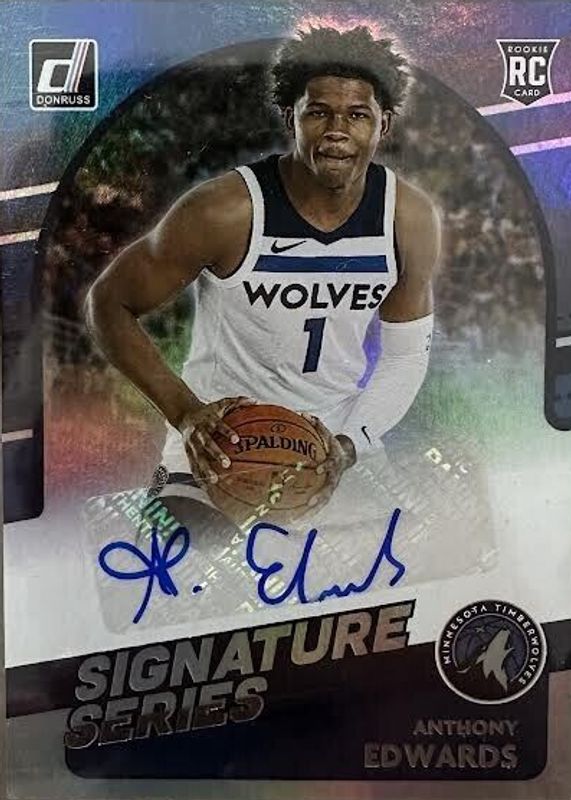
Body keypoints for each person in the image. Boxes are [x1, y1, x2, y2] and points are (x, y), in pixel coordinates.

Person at [85, 25, 440, 517]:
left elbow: (405, 357)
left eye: (358, 115)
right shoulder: (224, 211)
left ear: (384, 125)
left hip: (334, 443)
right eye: (318, 112)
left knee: (422, 550)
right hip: (219, 445)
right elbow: (108, 302)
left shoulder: (408, 218)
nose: (337, 130)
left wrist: (348, 445)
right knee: (173, 557)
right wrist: (186, 414)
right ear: (290, 118)